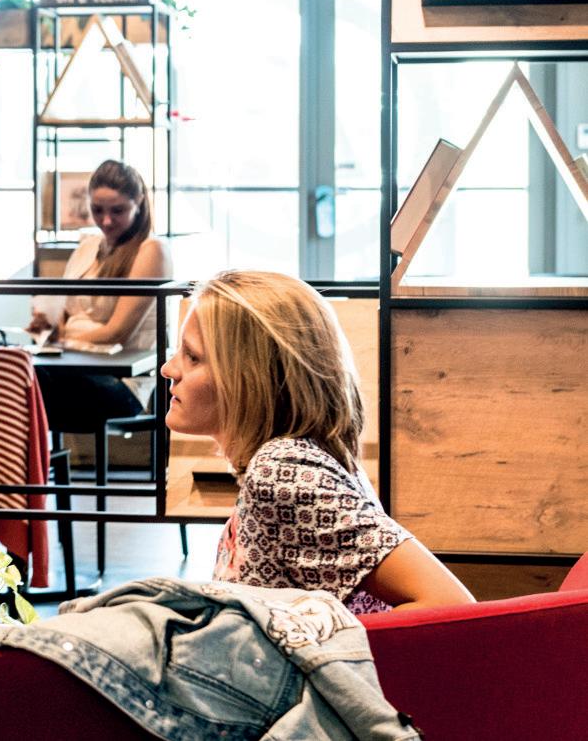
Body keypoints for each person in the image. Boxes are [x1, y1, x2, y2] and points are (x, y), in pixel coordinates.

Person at [161, 270, 473, 613]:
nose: (168, 369)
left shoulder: (281, 472)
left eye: (193, 357)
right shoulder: (294, 457)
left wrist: (329, 636)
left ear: (251, 375)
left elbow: (450, 605)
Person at [28, 159, 171, 433]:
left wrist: (65, 336)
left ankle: (18, 460)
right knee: (6, 372)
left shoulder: (152, 250)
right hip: (74, 369)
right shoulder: (88, 246)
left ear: (139, 202)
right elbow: (59, 315)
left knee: (25, 383)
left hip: (123, 383)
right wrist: (52, 327)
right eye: (97, 210)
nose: (106, 220)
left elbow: (116, 333)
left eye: (118, 210)